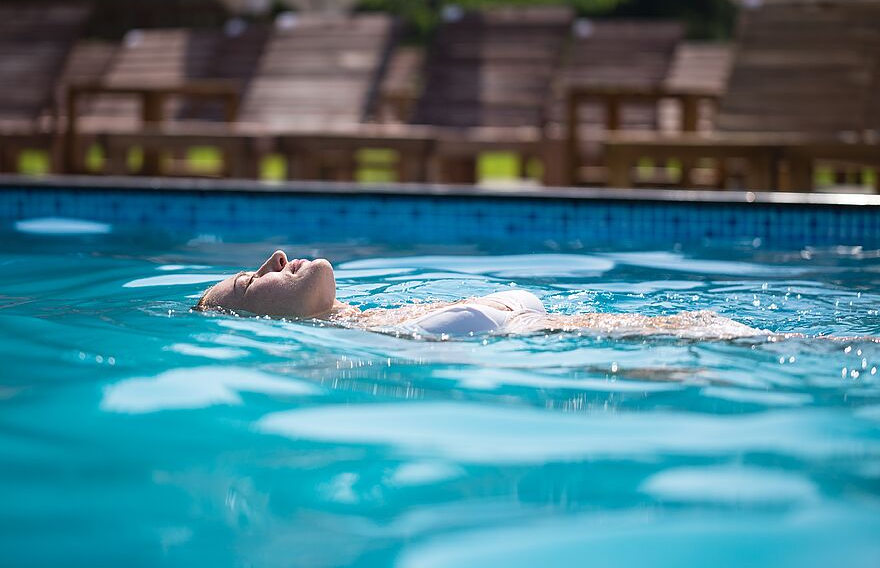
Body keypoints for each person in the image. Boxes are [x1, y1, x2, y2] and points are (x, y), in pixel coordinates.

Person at [194, 250, 770, 340]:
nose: (273, 258)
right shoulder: (370, 344)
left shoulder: (374, 318)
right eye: (250, 281)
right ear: (265, 323)